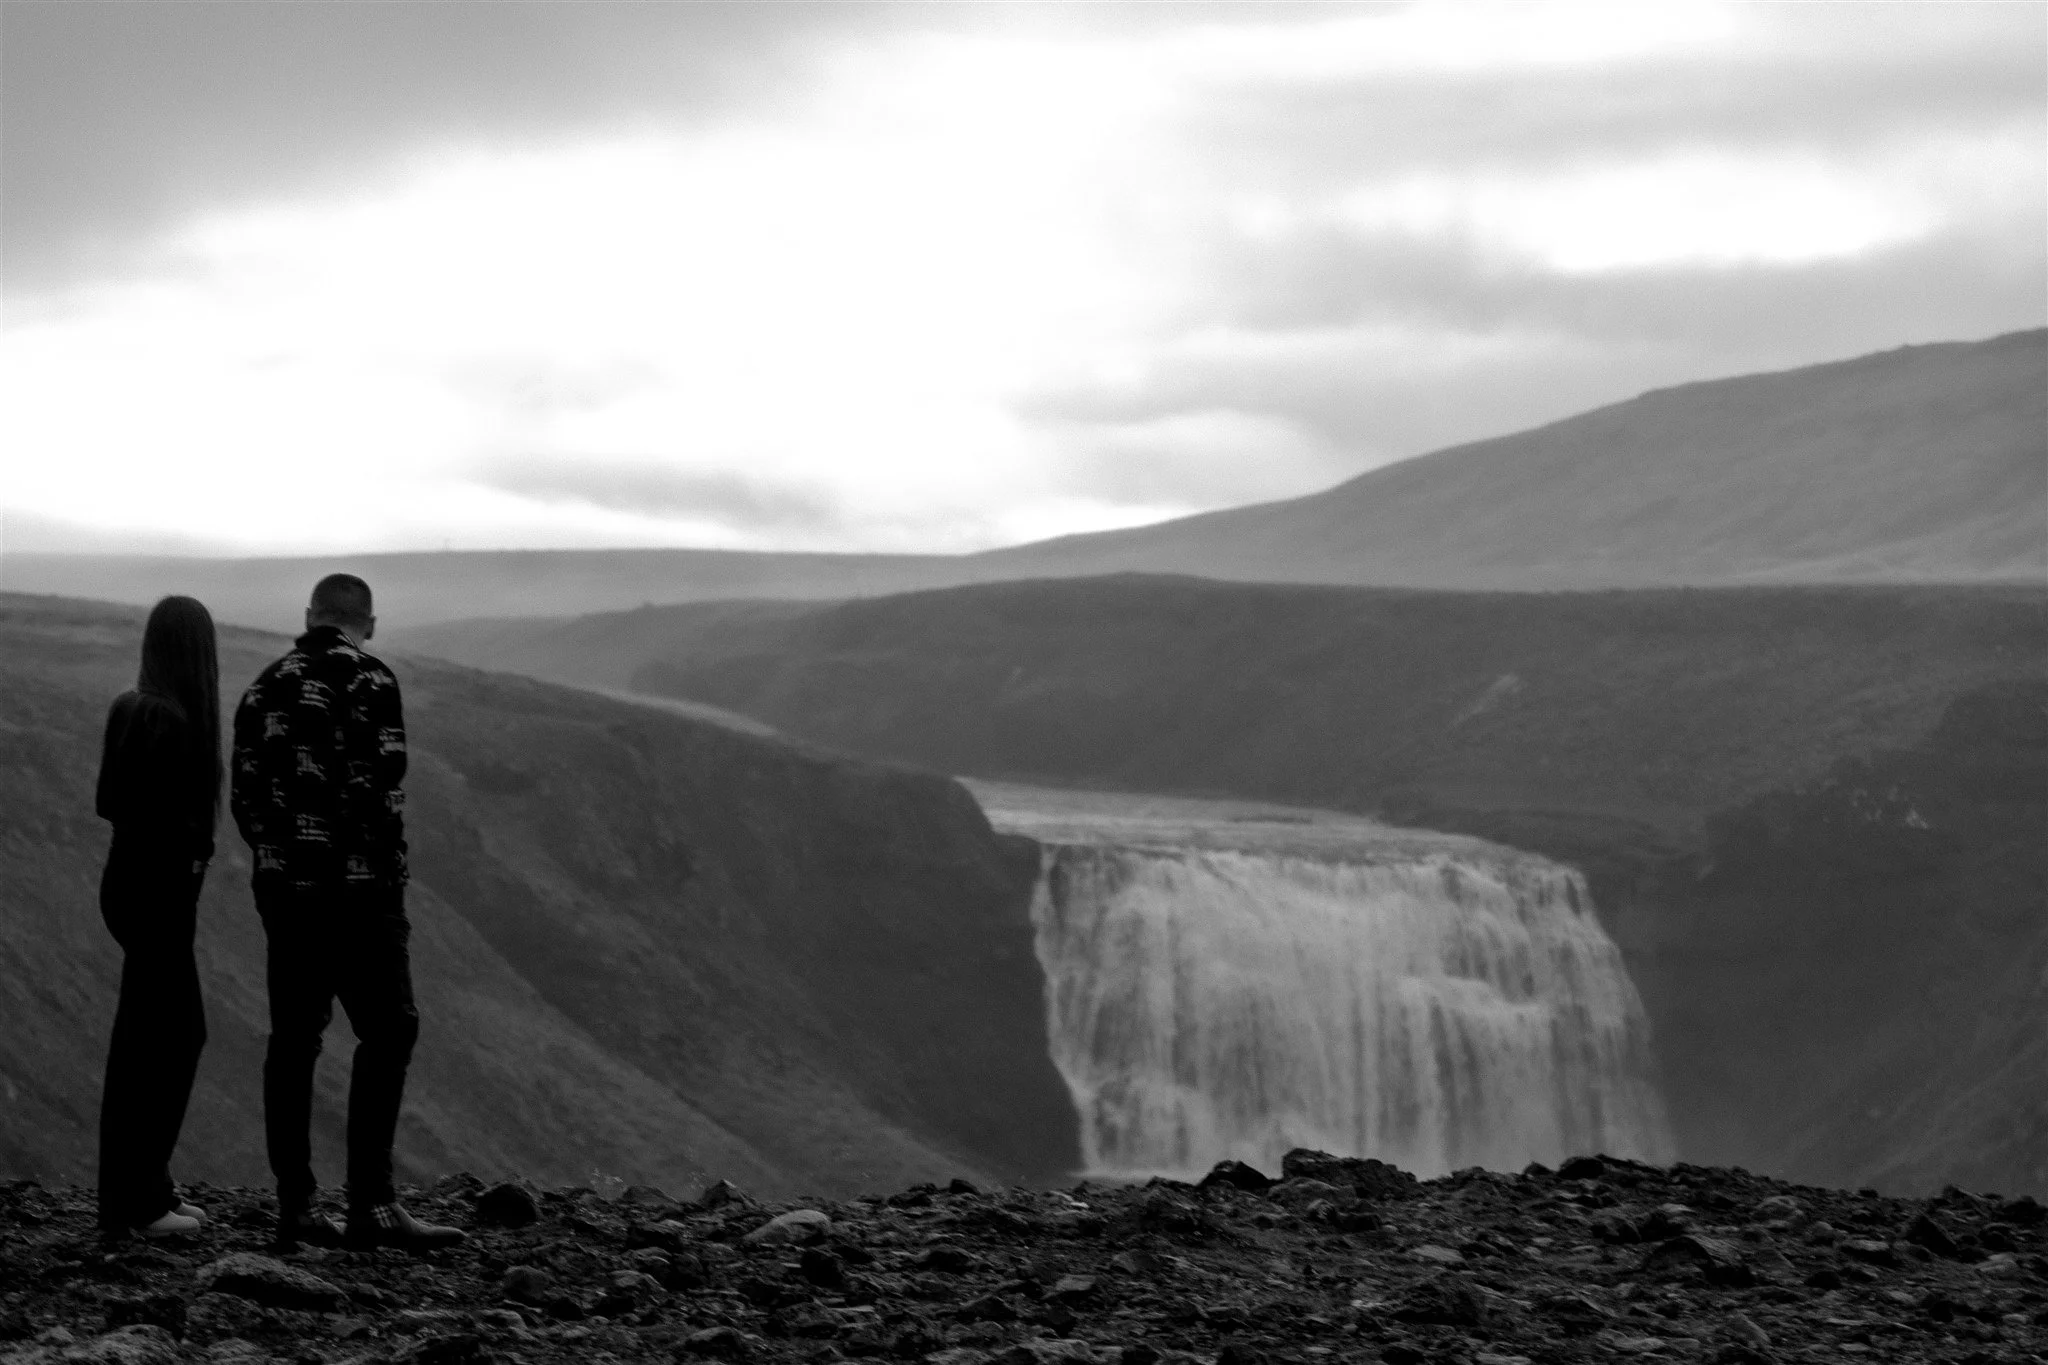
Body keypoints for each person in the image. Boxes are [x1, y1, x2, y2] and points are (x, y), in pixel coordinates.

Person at [230, 573, 463, 1250]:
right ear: (369, 622)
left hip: (288, 894)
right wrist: (382, 873)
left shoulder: (263, 686)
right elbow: (383, 782)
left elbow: (245, 796)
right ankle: (372, 1202)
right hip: (359, 893)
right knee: (390, 1031)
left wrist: (280, 861)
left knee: (295, 1039)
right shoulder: (371, 680)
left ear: (309, 615)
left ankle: (297, 1206)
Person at [94, 595, 220, 1239]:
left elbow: (109, 804)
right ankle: (138, 1202)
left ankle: (144, 1190)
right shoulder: (170, 722)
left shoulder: (130, 707)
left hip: (127, 888)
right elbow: (173, 828)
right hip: (158, 896)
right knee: (167, 1041)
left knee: (145, 1040)